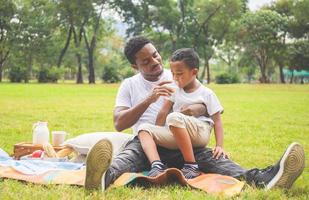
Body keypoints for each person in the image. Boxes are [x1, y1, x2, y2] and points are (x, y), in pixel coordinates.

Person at [84, 36, 305, 191]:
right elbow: (118, 123)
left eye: (155, 55)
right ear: (135, 66)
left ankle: (267, 178)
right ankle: (101, 178)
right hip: (147, 145)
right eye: (146, 61)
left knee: (216, 161)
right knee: (127, 157)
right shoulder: (129, 85)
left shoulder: (179, 73)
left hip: (183, 141)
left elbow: (205, 101)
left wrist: (197, 109)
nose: (155, 62)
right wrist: (149, 99)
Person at [138, 48, 225, 179]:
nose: (175, 78)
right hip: (178, 132)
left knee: (173, 117)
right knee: (143, 128)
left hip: (200, 132)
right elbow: (163, 112)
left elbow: (217, 121)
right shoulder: (175, 90)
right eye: (172, 73)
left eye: (179, 74)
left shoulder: (207, 93)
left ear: (194, 72)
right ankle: (157, 165)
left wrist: (219, 146)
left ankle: (191, 165)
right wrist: (158, 134)